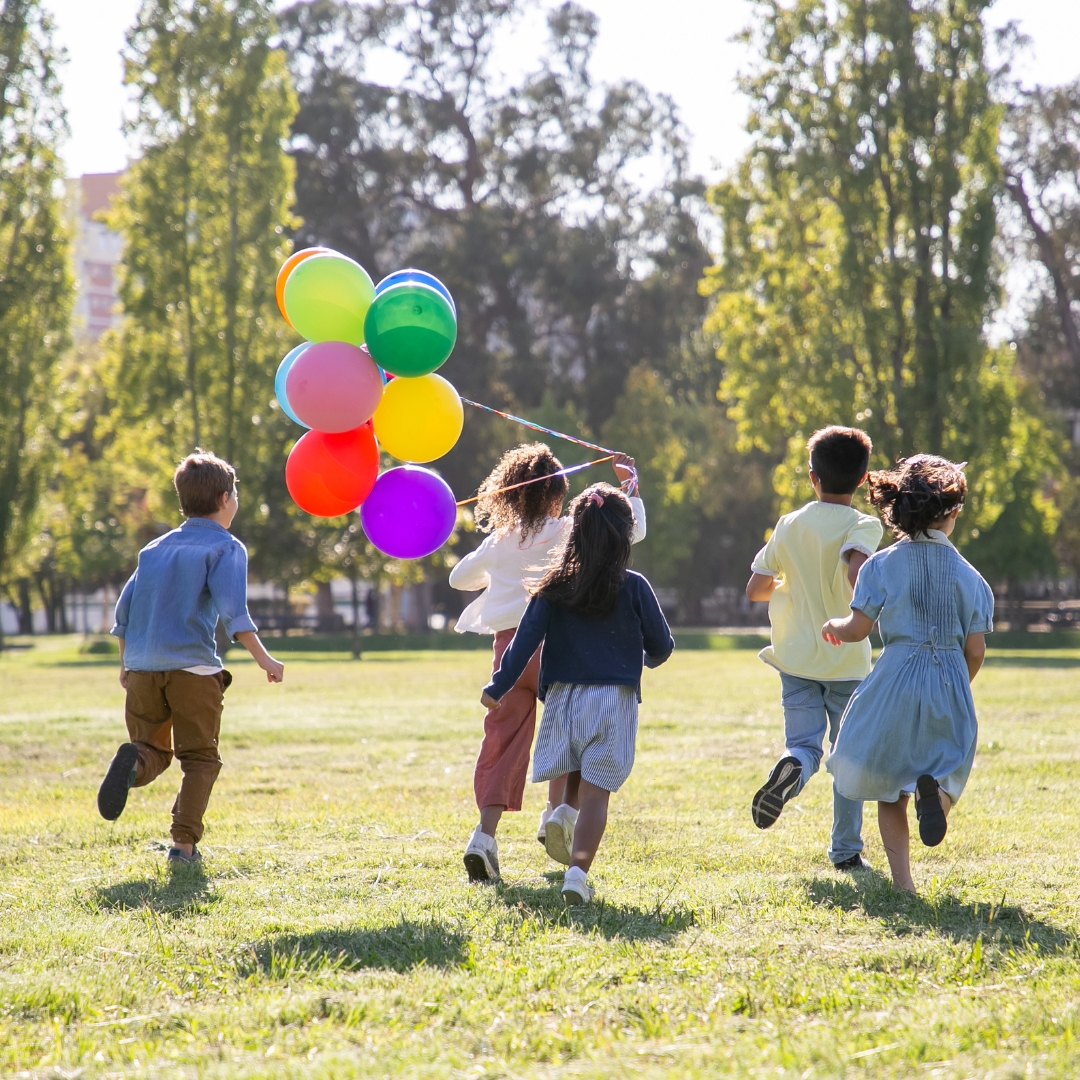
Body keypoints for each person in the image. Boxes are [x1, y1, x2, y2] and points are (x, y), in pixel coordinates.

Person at [450, 444, 646, 883]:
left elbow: (457, 578)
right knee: (572, 735)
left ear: (509, 495)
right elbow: (630, 532)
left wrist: (498, 557)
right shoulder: (567, 530)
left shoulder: (499, 542)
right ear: (558, 493)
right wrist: (629, 486)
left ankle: (484, 836)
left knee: (501, 743)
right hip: (557, 648)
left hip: (509, 654)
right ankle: (557, 814)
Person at [480, 483, 673, 905]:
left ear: (574, 533)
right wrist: (644, 657)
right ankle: (577, 874)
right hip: (613, 700)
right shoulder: (635, 585)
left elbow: (523, 643)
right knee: (597, 795)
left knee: (572, 766)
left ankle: (562, 813)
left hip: (564, 698)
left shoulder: (553, 586)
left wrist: (498, 685)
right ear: (625, 536)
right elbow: (662, 645)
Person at [97, 451, 284, 863]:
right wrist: (266, 660)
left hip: (144, 668)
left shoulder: (154, 549)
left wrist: (126, 662)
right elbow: (235, 615)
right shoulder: (226, 547)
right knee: (199, 758)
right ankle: (182, 846)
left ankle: (133, 761)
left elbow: (123, 612)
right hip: (193, 670)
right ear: (223, 499)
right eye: (235, 494)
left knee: (152, 750)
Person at [823, 455, 993, 894]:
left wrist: (834, 626)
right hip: (950, 678)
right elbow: (976, 649)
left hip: (895, 678)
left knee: (888, 786)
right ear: (952, 512)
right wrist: (958, 683)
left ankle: (904, 886)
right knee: (949, 766)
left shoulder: (880, 565)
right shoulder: (972, 579)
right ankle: (936, 799)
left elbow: (858, 629)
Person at [745, 426, 883, 869]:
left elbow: (755, 588)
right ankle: (846, 852)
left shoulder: (789, 523)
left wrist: (793, 586)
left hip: (796, 658)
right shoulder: (864, 523)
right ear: (863, 480)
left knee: (804, 745)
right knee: (848, 757)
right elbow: (855, 572)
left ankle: (792, 768)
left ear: (812, 477)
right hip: (845, 659)